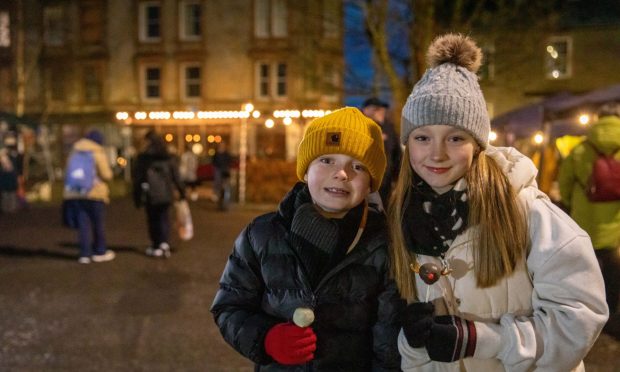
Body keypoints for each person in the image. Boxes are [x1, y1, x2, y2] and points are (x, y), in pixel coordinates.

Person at [390, 33, 608, 371]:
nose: (436, 153)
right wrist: (415, 346)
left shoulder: (528, 212)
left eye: (455, 137)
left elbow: (578, 319)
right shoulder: (405, 216)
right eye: (422, 137)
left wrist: (484, 339)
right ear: (408, 144)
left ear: (477, 144)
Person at [211, 107, 404, 370]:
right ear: (305, 169)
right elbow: (229, 307)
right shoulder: (262, 234)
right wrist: (265, 339)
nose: (342, 173)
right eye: (327, 160)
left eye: (358, 166)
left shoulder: (384, 244)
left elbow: (388, 342)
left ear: (371, 183)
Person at [558, 102, 620, 332]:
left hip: (583, 219)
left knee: (584, 267)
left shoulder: (582, 149)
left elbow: (564, 182)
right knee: (612, 270)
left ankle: (583, 310)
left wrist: (569, 202)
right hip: (614, 222)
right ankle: (610, 313)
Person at [63, 130, 114, 264]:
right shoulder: (97, 151)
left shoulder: (74, 151)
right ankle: (100, 251)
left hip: (76, 193)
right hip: (95, 194)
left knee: (83, 224)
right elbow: (106, 174)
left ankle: (84, 254)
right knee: (98, 224)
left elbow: (68, 172)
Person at [132, 130, 185, 258]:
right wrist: (182, 192)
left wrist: (137, 197)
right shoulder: (169, 157)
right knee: (164, 218)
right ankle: (164, 243)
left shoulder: (143, 158)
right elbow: (176, 177)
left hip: (150, 194)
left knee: (153, 219)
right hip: (166, 193)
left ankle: (156, 245)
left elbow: (138, 178)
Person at [362, 97, 401, 208]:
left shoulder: (388, 127)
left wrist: (397, 176)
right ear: (365, 110)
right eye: (375, 109)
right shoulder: (360, 126)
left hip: (386, 178)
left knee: (384, 207)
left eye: (379, 109)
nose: (379, 112)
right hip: (366, 178)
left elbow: (396, 152)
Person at [211, 141, 232, 211]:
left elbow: (230, 162)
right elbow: (213, 162)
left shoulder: (227, 154)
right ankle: (220, 204)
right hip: (218, 173)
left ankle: (225, 204)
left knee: (225, 189)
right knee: (219, 189)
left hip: (225, 173)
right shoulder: (216, 154)